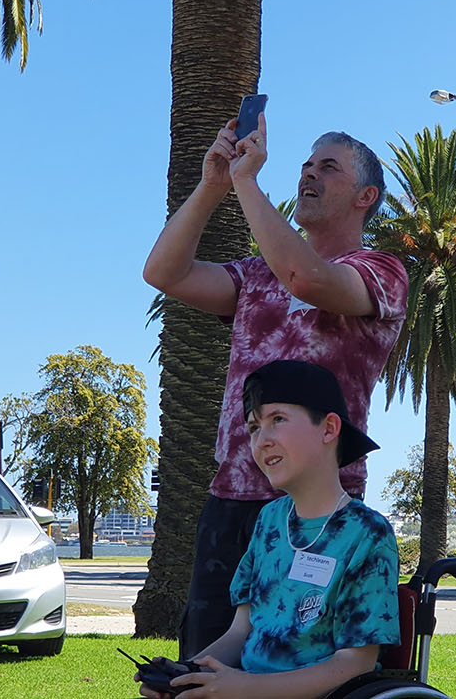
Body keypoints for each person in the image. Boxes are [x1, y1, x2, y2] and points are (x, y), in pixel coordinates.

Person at [143, 113, 408, 656]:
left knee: (292, 658)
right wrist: (213, 185)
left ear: (366, 196)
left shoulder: (381, 272)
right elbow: (164, 274)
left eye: (327, 167)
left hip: (317, 508)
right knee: (206, 659)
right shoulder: (255, 275)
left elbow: (307, 279)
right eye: (306, 164)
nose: (307, 173)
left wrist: (246, 182)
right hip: (231, 499)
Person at [137, 360, 401, 699]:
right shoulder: (270, 522)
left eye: (277, 419)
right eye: (253, 428)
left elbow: (355, 664)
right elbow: (241, 632)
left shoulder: (367, 533)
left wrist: (245, 688)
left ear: (329, 428)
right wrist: (185, 676)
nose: (261, 441)